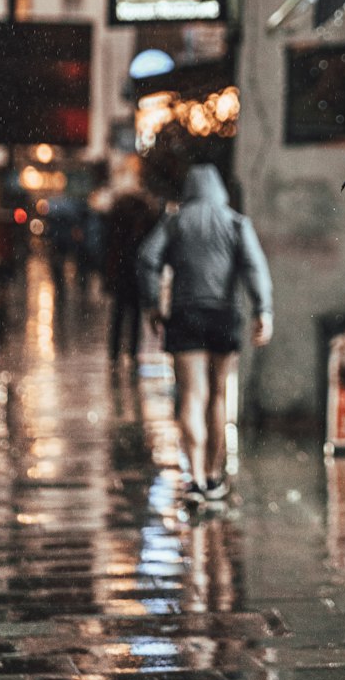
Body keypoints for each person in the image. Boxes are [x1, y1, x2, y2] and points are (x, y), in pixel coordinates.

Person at [138, 164, 273, 505]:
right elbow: (255, 266)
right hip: (223, 318)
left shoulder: (175, 222)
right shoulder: (235, 222)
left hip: (185, 317)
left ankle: (195, 478)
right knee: (218, 396)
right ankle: (213, 477)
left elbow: (147, 258)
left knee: (192, 396)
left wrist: (153, 303)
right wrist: (263, 311)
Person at [103, 188, 158, 364]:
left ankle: (115, 352)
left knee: (119, 314)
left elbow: (109, 249)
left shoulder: (117, 224)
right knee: (133, 315)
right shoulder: (143, 223)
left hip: (123, 275)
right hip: (133, 275)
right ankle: (131, 352)